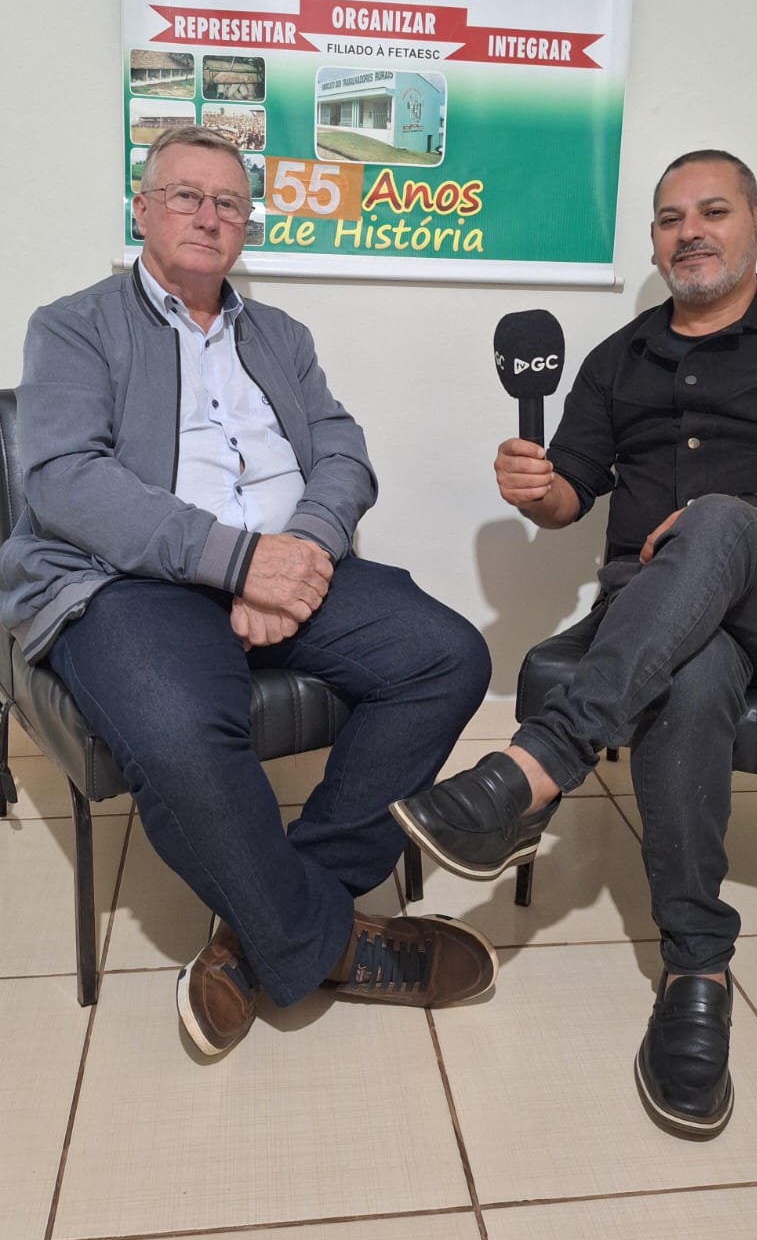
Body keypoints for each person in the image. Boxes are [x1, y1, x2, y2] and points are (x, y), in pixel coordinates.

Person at [0, 124, 496, 1057]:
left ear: (246, 224)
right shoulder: (73, 325)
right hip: (130, 580)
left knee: (447, 656)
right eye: (185, 195)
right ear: (142, 210)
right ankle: (327, 942)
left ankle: (258, 927)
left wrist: (298, 550)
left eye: (228, 202)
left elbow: (342, 452)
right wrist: (234, 562)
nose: (208, 215)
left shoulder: (280, 335)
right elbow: (64, 480)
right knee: (180, 731)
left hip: (289, 559)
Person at [392, 149, 757, 1137]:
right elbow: (569, 499)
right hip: (660, 612)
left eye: (713, 211)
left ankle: (534, 767)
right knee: (691, 671)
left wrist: (750, 514)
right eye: (671, 219)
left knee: (719, 518)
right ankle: (696, 970)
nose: (691, 232)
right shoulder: (617, 359)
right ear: (652, 241)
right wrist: (536, 489)